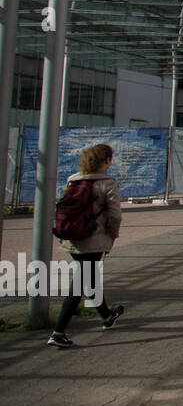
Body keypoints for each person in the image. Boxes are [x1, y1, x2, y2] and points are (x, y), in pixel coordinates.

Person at [46, 144, 127, 348]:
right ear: (106, 160)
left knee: (88, 278)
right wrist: (112, 236)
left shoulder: (73, 180)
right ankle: (58, 332)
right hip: (94, 240)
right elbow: (115, 215)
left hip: (72, 239)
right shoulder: (107, 183)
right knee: (80, 284)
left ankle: (107, 316)